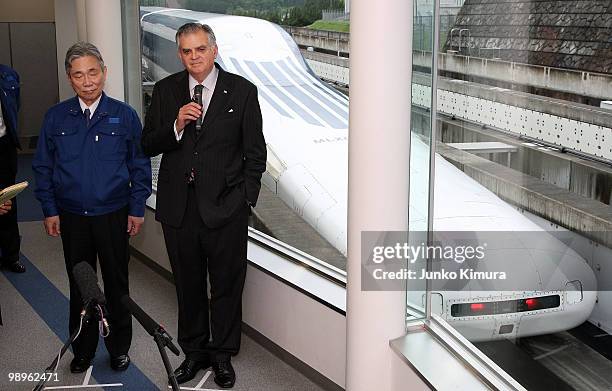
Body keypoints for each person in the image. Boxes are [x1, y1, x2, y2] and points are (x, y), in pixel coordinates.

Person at [141, 23, 266, 388]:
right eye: (186, 51)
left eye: (200, 49)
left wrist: (245, 200)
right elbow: (147, 144)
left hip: (226, 208)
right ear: (179, 54)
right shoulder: (165, 91)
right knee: (188, 284)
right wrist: (175, 126)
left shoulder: (242, 92)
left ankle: (222, 354)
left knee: (227, 284)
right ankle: (194, 352)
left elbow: (255, 154)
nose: (193, 57)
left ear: (214, 50)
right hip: (179, 209)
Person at [32, 42, 152, 373]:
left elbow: (140, 166)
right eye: (79, 75)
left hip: (114, 215)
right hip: (73, 217)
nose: (88, 81)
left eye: (93, 72)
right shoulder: (55, 117)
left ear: (104, 73)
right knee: (81, 285)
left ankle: (118, 348)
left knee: (116, 285)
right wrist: (49, 208)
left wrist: (137, 207)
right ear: (70, 79)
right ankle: (83, 348)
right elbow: (42, 167)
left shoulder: (124, 115)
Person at [0, 64, 26, 273]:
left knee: (7, 199)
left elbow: (13, 107)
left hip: (4, 145)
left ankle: (11, 255)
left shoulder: (8, 74)